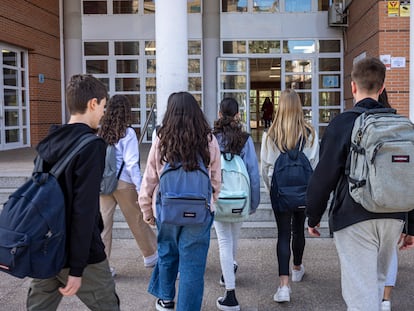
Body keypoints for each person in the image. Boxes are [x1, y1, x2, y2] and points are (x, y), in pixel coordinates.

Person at [306, 57, 414, 311]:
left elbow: (324, 176)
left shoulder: (343, 124)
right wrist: (410, 223)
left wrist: (313, 215)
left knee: (359, 296)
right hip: (393, 217)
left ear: (353, 87)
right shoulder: (401, 126)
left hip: (353, 217)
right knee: (376, 286)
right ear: (383, 86)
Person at [26, 74, 120, 310]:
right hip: (80, 254)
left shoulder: (50, 139)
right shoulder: (92, 146)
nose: (103, 113)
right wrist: (76, 269)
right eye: (103, 106)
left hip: (45, 247)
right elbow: (84, 210)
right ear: (92, 104)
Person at [138, 91, 221, 311]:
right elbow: (215, 179)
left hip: (167, 210)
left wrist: (146, 209)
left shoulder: (162, 138)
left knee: (166, 253)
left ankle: (166, 299)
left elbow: (150, 177)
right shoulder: (208, 139)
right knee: (193, 267)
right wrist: (210, 203)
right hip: (199, 213)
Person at [260, 88, 319, 303]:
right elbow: (315, 166)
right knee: (299, 230)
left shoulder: (270, 135)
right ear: (299, 108)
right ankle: (297, 268)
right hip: (303, 193)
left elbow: (266, 169)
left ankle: (283, 287)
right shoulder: (310, 134)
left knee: (283, 234)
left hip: (281, 194)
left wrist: (272, 191)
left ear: (280, 107)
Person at [98, 94, 158, 277]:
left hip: (104, 183)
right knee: (138, 220)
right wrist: (141, 189)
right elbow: (131, 163)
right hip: (124, 183)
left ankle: (102, 268)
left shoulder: (102, 131)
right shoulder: (128, 132)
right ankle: (151, 255)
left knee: (103, 225)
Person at [212, 97, 261, 311]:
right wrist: (254, 202)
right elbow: (253, 172)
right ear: (238, 115)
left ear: (220, 114)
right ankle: (227, 272)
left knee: (224, 240)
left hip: (219, 196)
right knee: (233, 236)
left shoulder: (212, 138)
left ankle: (230, 294)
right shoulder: (245, 139)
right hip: (240, 197)